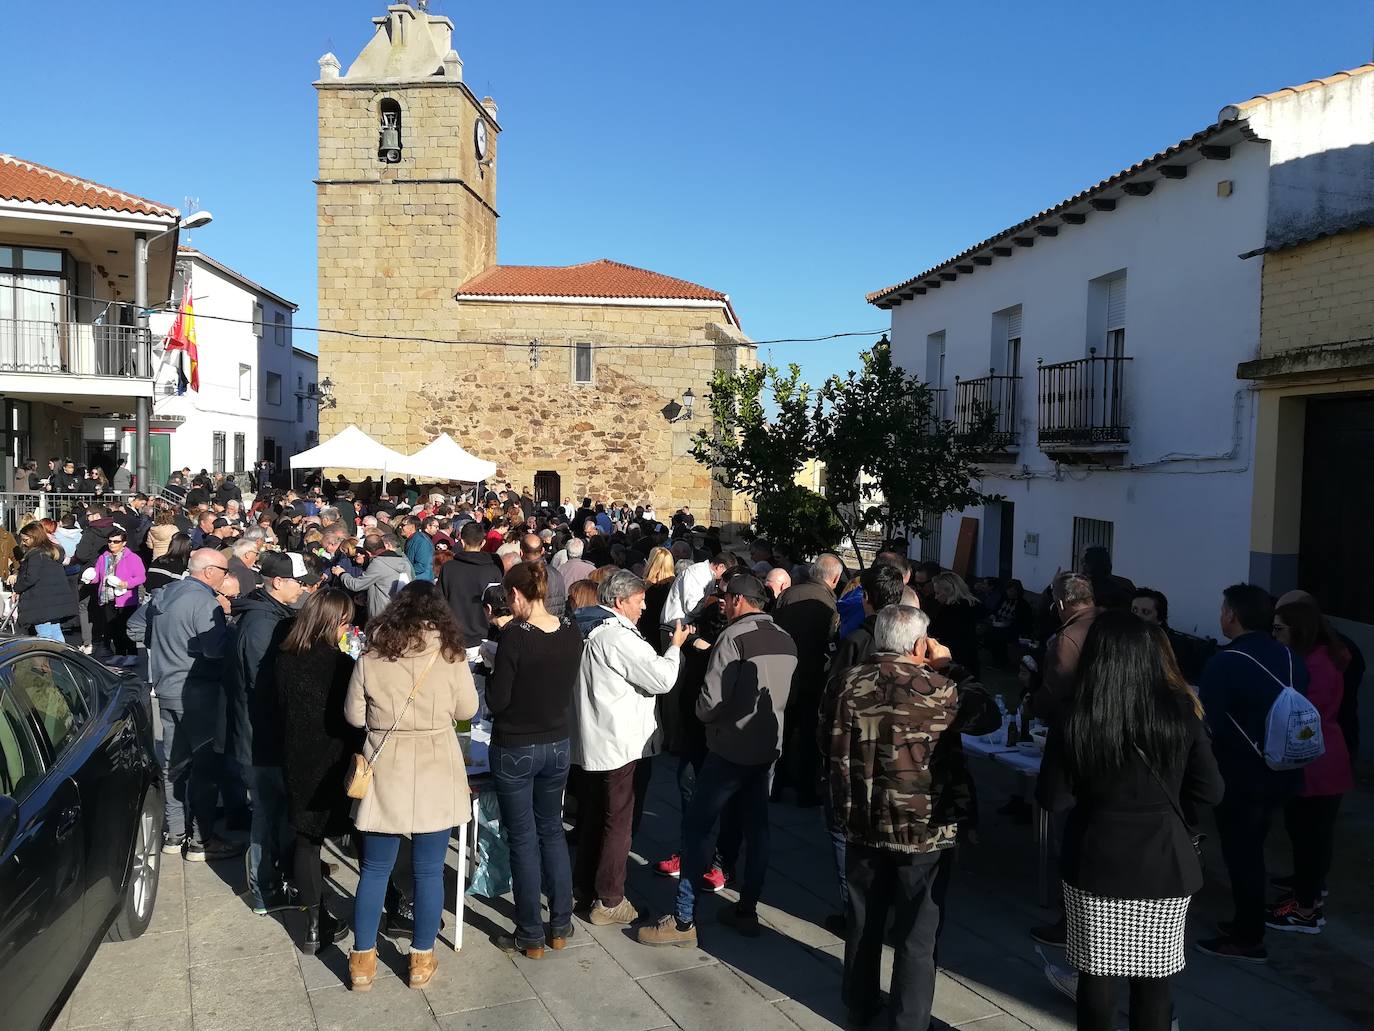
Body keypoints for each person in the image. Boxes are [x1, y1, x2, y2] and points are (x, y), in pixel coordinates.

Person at [1036, 611, 1223, 1031]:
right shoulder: (1181, 712)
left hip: (1095, 857)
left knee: (1094, 977)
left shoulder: (1075, 715)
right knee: (1155, 982)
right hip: (1165, 860)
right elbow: (1211, 791)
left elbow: (1053, 796)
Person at [824, 605, 999, 1031]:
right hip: (924, 828)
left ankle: (860, 1002)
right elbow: (986, 715)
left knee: (864, 919)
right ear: (920, 644)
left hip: (862, 819)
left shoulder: (845, 683)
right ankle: (909, 1020)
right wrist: (949, 664)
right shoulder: (937, 687)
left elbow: (822, 739)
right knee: (918, 932)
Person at [638, 573, 797, 947]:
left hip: (728, 749)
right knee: (757, 831)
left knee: (697, 829)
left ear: (740, 600)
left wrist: (700, 714)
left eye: (726, 598)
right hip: (766, 749)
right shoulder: (786, 639)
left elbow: (710, 701)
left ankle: (682, 920)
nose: (721, 603)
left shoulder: (733, 637)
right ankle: (747, 909)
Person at [345, 581, 478, 992]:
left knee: (375, 869)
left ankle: (362, 961)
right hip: (437, 760)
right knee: (428, 870)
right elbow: (467, 709)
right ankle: (420, 960)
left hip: (387, 763)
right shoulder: (451, 653)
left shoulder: (372, 653)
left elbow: (353, 715)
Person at [1195, 584, 1308, 963]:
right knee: (1253, 849)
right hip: (1286, 769)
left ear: (1233, 615)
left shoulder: (1224, 662)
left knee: (1242, 854)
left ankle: (1248, 936)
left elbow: (1210, 725)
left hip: (1242, 774)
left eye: (1224, 608)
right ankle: (1247, 920)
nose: (1221, 615)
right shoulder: (1289, 657)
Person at [571, 570, 687, 925]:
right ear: (620, 602)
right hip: (621, 742)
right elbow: (662, 678)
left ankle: (586, 888)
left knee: (596, 816)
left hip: (597, 739)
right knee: (618, 821)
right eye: (639, 602)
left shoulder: (583, 627)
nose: (644, 608)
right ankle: (610, 899)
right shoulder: (617, 637)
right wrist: (676, 647)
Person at [485, 561, 584, 958]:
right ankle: (560, 921)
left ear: (516, 596)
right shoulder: (571, 631)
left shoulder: (515, 637)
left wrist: (493, 670)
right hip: (557, 741)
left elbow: (497, 700)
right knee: (552, 831)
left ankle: (530, 931)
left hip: (516, 744)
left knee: (523, 838)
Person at [817, 562, 907, 935]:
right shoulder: (909, 638)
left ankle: (855, 912)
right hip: (898, 754)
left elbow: (833, 694)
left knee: (845, 836)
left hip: (856, 751)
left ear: (866, 599)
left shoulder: (857, 641)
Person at [274, 589, 362, 954]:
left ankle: (313, 925)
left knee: (307, 843)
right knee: (361, 832)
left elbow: (283, 710)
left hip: (297, 759)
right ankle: (387, 901)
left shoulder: (284, 658)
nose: (349, 627)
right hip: (335, 762)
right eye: (345, 621)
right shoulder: (340, 664)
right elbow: (352, 719)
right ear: (331, 621)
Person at [146, 549, 243, 861]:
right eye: (225, 571)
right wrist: (228, 624)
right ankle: (201, 840)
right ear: (210, 571)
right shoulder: (203, 601)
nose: (227, 578)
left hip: (165, 687)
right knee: (204, 765)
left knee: (174, 764)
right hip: (197, 689)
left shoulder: (165, 593)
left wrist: (165, 648)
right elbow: (215, 651)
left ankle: (174, 834)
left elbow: (137, 629)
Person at [1266, 600, 1352, 935]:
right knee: (1313, 836)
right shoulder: (1325, 657)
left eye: (1279, 629)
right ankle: (1307, 896)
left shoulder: (1311, 666)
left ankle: (1305, 909)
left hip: (1314, 761)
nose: (1274, 636)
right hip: (1326, 756)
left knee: (1309, 837)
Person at [231, 552, 308, 915]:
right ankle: (265, 890)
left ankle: (288, 872)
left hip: (270, 734)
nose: (303, 588)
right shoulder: (261, 624)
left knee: (279, 811)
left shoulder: (275, 614)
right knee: (266, 813)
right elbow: (264, 685)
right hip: (261, 738)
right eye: (298, 581)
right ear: (278, 582)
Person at [772, 553, 842, 806]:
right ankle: (804, 789)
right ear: (834, 578)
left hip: (783, 672)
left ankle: (775, 785)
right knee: (808, 734)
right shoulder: (829, 604)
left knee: (783, 729)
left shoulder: (788, 594)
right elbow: (831, 641)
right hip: (812, 676)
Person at [438, 520, 505, 647]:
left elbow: (440, 602)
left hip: (455, 637)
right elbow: (499, 603)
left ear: (462, 542)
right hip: (485, 636)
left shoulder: (448, 568)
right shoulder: (493, 569)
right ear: (483, 542)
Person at [85, 528, 146, 666]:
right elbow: (99, 577)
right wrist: (90, 578)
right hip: (108, 597)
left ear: (123, 543)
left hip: (126, 599)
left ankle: (131, 654)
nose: (112, 544)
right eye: (110, 541)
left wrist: (127, 583)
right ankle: (119, 654)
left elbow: (141, 577)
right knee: (113, 628)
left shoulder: (133, 558)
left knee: (126, 627)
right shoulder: (103, 557)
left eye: (116, 541)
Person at [12, 520, 77, 641]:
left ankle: (47, 659)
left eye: (26, 540)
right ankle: (62, 657)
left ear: (34, 538)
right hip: (54, 599)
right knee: (55, 631)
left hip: (40, 600)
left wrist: (17, 588)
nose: (23, 543)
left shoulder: (36, 555)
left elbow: (31, 577)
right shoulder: (52, 551)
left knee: (44, 635)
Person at [336, 534, 412, 621]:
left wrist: (342, 574)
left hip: (381, 614)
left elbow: (356, 585)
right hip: (399, 611)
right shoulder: (403, 561)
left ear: (368, 553)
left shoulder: (378, 563)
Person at [929, 571, 983, 677]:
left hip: (953, 657)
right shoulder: (973, 605)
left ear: (950, 591)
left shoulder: (949, 610)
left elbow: (936, 631)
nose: (936, 597)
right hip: (970, 656)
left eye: (938, 593)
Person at [520, 532, 566, 617]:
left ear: (521, 553)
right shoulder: (556, 573)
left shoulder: (521, 576)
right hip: (556, 623)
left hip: (533, 625)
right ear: (542, 551)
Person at [400, 515, 435, 583]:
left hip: (422, 582)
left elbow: (421, 566)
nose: (400, 527)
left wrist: (403, 570)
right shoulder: (411, 539)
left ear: (412, 527)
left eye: (403, 525)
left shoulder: (422, 541)